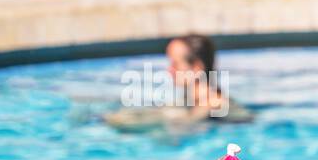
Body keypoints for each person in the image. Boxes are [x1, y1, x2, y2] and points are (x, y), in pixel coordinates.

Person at [104, 33, 250, 130]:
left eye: (175, 64)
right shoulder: (189, 100)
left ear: (196, 68)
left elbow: (180, 129)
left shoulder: (215, 104)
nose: (169, 70)